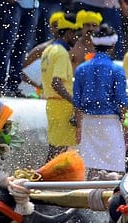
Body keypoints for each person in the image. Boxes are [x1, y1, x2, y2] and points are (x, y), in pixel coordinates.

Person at [73, 24, 128, 178]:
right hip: (110, 123)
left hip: (88, 122)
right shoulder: (117, 69)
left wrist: (79, 127)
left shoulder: (81, 69)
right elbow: (122, 101)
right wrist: (127, 127)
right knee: (114, 171)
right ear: (112, 45)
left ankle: (89, 199)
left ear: (93, 43)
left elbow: (77, 103)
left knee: (91, 168)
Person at [41, 13, 82, 160]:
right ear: (69, 32)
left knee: (56, 148)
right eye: (76, 35)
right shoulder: (62, 53)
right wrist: (75, 102)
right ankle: (46, 179)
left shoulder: (48, 50)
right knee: (59, 151)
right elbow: (56, 83)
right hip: (61, 106)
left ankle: (47, 179)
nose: (77, 39)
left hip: (53, 105)